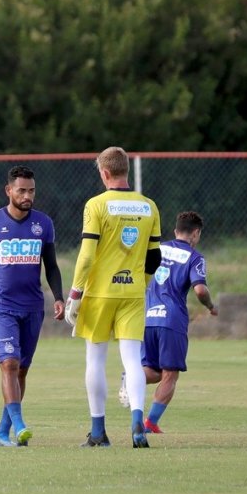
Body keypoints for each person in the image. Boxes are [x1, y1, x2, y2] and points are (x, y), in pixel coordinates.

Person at [62, 147, 161, 449]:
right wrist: (139, 284)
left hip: (99, 293)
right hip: (132, 292)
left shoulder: (96, 205)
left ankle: (98, 432)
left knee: (96, 358)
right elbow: (154, 258)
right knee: (132, 359)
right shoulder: (148, 206)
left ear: (104, 173)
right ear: (126, 171)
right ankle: (137, 421)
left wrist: (75, 294)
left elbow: (87, 255)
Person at [0, 166, 63, 447]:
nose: (27, 195)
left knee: (21, 369)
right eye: (21, 190)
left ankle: (2, 433)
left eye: (31, 190)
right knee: (9, 363)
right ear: (8, 190)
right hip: (1, 306)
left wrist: (58, 297)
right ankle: (20, 424)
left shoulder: (44, 224)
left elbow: (52, 266)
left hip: (33, 307)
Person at [140, 211, 217, 435]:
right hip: (171, 320)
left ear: (175, 231)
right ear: (196, 233)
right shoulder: (194, 257)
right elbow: (200, 289)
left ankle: (131, 378)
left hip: (147, 317)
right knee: (170, 373)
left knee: (152, 371)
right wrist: (210, 306)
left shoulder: (157, 248)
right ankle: (150, 423)